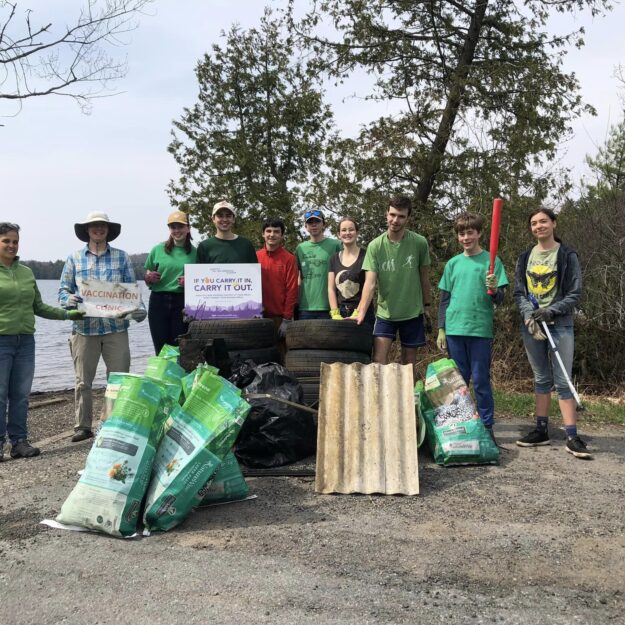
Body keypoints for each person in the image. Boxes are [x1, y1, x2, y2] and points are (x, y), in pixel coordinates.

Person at [59, 212, 146, 443]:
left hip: (116, 328)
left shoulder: (122, 257)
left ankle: (113, 421)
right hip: (84, 329)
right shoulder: (74, 258)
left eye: (102, 226)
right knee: (82, 381)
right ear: (87, 230)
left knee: (119, 379)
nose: (98, 229)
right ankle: (83, 427)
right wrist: (68, 301)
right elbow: (63, 290)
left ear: (108, 230)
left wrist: (139, 310)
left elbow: (131, 289)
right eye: (94, 226)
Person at [0, 223, 83, 461]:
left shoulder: (26, 272)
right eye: (6, 240)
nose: (11, 245)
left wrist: (68, 314)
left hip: (25, 342)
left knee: (21, 394)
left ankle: (19, 443)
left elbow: (39, 307)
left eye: (15, 241)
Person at [513, 208, 589, 458]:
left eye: (543, 221)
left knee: (563, 379)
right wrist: (528, 314)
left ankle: (572, 435)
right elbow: (519, 292)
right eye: (534, 223)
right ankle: (541, 429)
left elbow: (574, 293)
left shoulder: (567, 256)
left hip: (560, 324)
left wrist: (552, 311)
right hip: (533, 325)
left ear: (554, 224)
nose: (538, 226)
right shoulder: (525, 258)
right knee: (541, 378)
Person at [436, 212, 508, 442]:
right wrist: (441, 329)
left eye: (470, 232)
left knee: (480, 380)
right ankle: (458, 425)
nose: (466, 237)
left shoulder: (492, 261)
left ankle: (487, 427)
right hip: (455, 329)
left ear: (479, 233)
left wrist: (495, 289)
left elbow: (500, 299)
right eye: (461, 233)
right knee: (458, 383)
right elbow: (444, 299)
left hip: (479, 330)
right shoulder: (453, 264)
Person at [356, 196, 431, 375]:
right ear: (386, 214)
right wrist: (361, 312)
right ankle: (380, 401)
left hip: (412, 312)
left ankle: (409, 401)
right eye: (392, 215)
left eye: (401, 216)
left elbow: (424, 277)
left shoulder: (419, 243)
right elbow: (370, 283)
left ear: (408, 218)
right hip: (385, 313)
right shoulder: (375, 246)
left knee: (409, 363)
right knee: (379, 361)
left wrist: (427, 306)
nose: (395, 220)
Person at [144, 211, 197, 354]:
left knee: (179, 347)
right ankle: (162, 375)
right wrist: (149, 278)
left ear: (188, 228)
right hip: (158, 301)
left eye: (180, 226)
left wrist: (190, 282)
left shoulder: (195, 253)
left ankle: (178, 375)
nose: (177, 230)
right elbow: (147, 276)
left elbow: (201, 282)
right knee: (160, 348)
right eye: (173, 227)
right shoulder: (157, 249)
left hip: (182, 302)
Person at [256, 218, 298, 345]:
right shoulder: (255, 256)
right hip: (258, 316)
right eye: (268, 231)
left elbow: (292, 289)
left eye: (276, 231)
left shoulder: (289, 259)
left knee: (281, 356)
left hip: (279, 317)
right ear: (263, 234)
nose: (272, 235)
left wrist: (287, 319)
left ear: (282, 235)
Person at [295, 209, 341, 319]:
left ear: (323, 224)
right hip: (305, 307)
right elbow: (298, 277)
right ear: (305, 227)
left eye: (317, 222)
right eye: (310, 222)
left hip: (330, 307)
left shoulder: (336, 245)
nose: (314, 225)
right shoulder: (300, 248)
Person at [327, 217, 374, 326]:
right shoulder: (333, 259)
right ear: (339, 234)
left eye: (351, 229)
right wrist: (335, 313)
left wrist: (359, 311)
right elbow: (331, 289)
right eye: (343, 230)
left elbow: (370, 285)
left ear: (357, 232)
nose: (347, 233)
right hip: (341, 312)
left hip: (363, 312)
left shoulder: (366, 256)